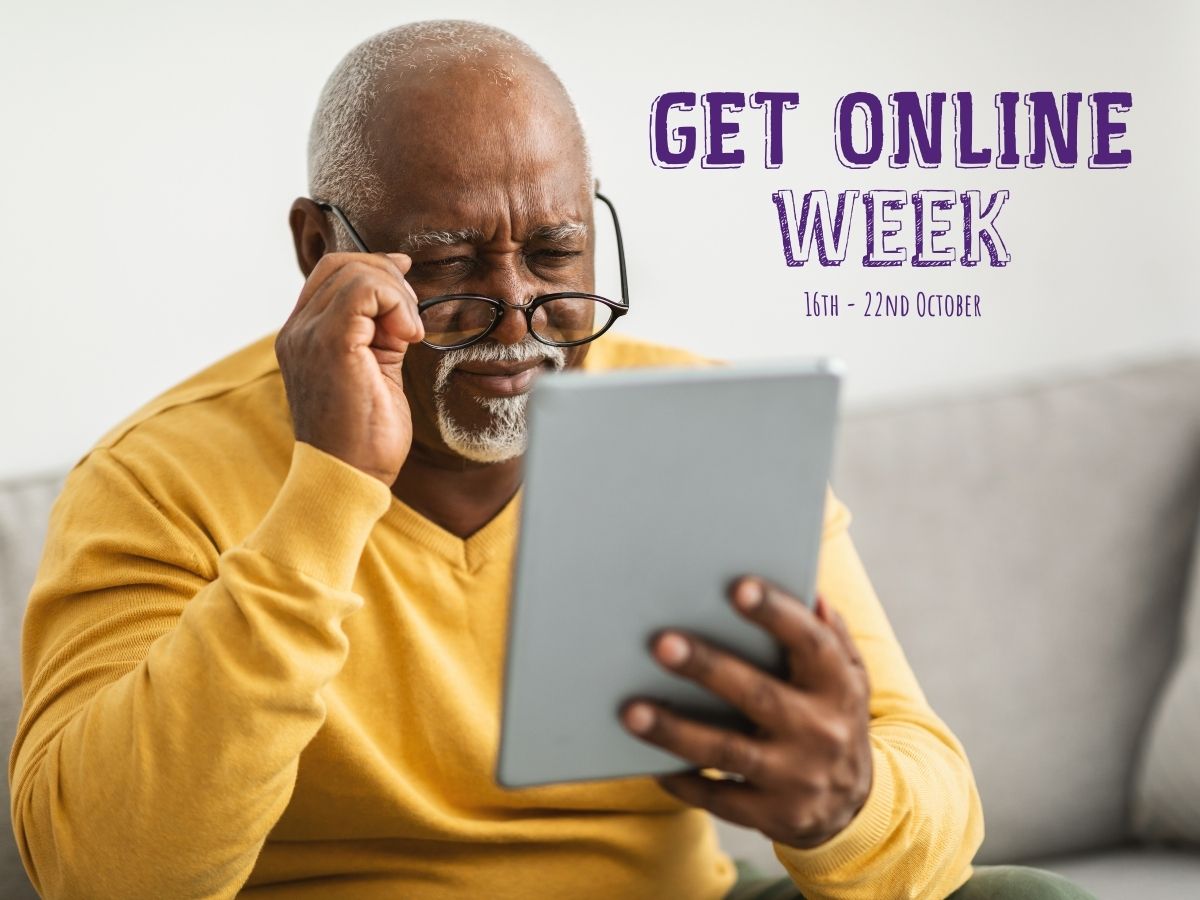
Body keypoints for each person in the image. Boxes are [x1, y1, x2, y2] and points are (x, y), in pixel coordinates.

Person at [9, 20, 1094, 900]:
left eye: (557, 249)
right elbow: (103, 875)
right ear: (320, 250)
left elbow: (931, 800)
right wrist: (329, 490)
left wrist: (846, 804)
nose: (518, 311)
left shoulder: (699, 426)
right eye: (446, 259)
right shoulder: (156, 476)